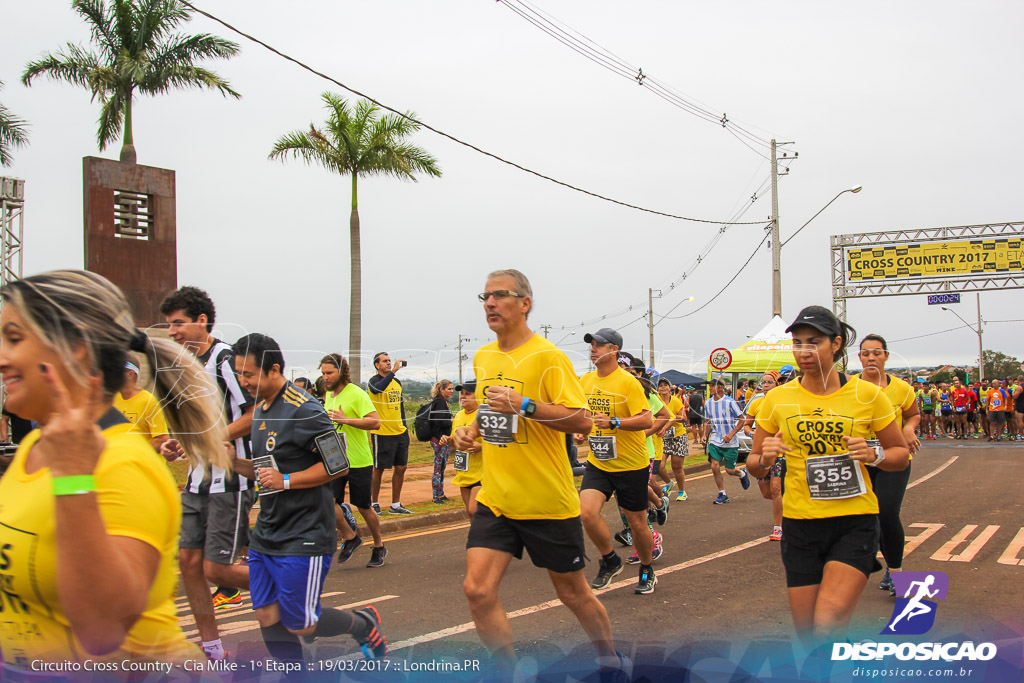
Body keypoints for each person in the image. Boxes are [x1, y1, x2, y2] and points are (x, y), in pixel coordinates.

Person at [0, 269, 226, 670]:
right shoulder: (35, 445)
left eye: (15, 339)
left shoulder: (124, 465)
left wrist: (73, 481)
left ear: (76, 349)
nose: (1, 357)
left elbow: (103, 631)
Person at [452, 269, 628, 677]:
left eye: (500, 295)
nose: (490, 304)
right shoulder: (484, 357)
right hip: (496, 498)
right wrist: (468, 432)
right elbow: (488, 408)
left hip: (547, 500)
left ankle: (610, 660)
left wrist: (526, 405)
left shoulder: (548, 357)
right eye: (485, 297)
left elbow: (583, 421)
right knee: (477, 590)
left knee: (573, 593)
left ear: (525, 303)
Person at [746, 306, 909, 647]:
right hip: (800, 525)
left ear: (836, 344)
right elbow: (754, 464)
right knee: (810, 637)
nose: (804, 351)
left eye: (814, 342)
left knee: (828, 623)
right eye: (798, 343)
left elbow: (900, 454)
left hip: (854, 522)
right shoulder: (776, 400)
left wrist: (874, 454)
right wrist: (766, 456)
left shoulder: (867, 395)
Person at [231, 333, 388, 663]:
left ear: (274, 369)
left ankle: (363, 623)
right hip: (267, 533)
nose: (243, 381)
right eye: (239, 374)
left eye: (249, 374)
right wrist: (228, 461)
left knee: (301, 623)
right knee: (267, 616)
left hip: (304, 532)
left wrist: (286, 480)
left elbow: (337, 464)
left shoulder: (306, 410)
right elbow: (265, 471)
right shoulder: (260, 410)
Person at [159, 286, 255, 658]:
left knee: (217, 570)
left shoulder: (227, 359)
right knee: (188, 562)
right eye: (168, 325)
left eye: (178, 323)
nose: (172, 332)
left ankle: (290, 584)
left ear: (202, 321)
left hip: (231, 479)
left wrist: (209, 439)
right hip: (197, 479)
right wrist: (176, 441)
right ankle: (212, 647)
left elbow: (251, 415)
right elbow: (193, 423)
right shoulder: (183, 365)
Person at [576, 328, 657, 594]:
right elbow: (586, 416)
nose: (593, 349)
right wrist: (581, 431)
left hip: (631, 464)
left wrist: (615, 422)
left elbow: (647, 419)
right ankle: (610, 559)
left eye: (599, 345)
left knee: (637, 524)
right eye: (591, 345)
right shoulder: (585, 381)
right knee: (586, 512)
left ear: (614, 351)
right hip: (599, 461)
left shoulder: (628, 382)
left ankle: (646, 568)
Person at [857, 334, 921, 596]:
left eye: (876, 353)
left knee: (886, 512)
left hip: (893, 458)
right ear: (859, 357)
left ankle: (895, 572)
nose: (871, 357)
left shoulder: (901, 388)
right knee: (861, 516)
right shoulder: (849, 387)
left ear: (886, 356)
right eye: (865, 353)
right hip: (859, 460)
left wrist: (908, 429)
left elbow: (913, 414)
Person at [320, 353, 388, 568]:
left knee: (363, 507)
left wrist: (345, 420)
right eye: (323, 373)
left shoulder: (356, 393)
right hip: (336, 461)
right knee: (329, 503)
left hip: (358, 460)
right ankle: (351, 537)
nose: (326, 377)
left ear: (342, 372)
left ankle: (379, 545)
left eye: (329, 373)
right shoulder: (329, 395)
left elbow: (375, 423)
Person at [367, 351, 414, 515]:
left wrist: (404, 427)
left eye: (389, 361)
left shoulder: (397, 383)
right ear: (377, 365)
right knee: (379, 469)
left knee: (401, 467)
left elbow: (400, 407)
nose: (388, 363)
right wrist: (393, 371)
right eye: (385, 361)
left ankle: (395, 504)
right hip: (382, 432)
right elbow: (378, 390)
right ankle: (374, 503)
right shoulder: (373, 382)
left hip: (399, 431)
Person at [744, 370, 784, 540]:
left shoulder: (784, 402)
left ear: (777, 384)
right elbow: (747, 424)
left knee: (776, 489)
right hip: (761, 453)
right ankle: (789, 508)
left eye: (770, 382)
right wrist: (752, 433)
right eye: (764, 382)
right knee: (767, 492)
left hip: (781, 452)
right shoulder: (756, 402)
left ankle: (779, 527)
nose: (766, 385)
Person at [439, 381, 484, 518]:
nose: (463, 397)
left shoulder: (483, 415)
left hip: (482, 473)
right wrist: (448, 440)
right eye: (462, 394)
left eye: (468, 394)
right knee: (470, 514)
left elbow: (499, 442)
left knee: (474, 511)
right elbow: (456, 443)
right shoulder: (458, 416)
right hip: (464, 472)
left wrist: (481, 447)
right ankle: (475, 539)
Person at [704, 378, 751, 503]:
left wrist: (731, 434)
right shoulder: (708, 403)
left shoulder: (730, 402)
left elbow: (742, 419)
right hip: (715, 439)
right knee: (714, 466)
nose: (710, 388)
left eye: (713, 386)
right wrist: (704, 435)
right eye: (710, 386)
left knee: (730, 470)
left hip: (730, 441)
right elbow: (707, 421)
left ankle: (742, 474)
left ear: (720, 387)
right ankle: (722, 493)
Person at [113, 359, 169, 451]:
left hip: (141, 463)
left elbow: (162, 439)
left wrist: (139, 454)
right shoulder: (113, 399)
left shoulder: (148, 402)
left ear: (130, 374)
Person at [657, 378, 689, 501]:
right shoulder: (657, 401)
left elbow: (684, 418)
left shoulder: (675, 401)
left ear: (670, 388)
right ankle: (669, 483)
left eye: (665, 385)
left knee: (677, 467)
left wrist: (672, 417)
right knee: (659, 465)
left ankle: (682, 491)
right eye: (661, 386)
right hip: (662, 437)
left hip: (678, 436)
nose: (663, 388)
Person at [428, 379, 455, 503]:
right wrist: (450, 422)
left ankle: (441, 493)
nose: (451, 391)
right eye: (449, 389)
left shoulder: (444, 402)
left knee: (442, 467)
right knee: (438, 468)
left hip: (444, 439)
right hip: (439, 439)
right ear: (441, 389)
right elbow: (437, 422)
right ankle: (436, 496)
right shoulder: (439, 403)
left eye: (452, 389)